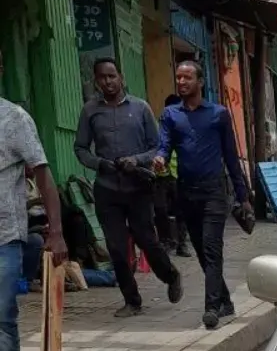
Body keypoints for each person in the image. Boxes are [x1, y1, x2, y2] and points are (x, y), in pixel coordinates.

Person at [74, 58, 182, 317]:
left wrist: (137, 160)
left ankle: (170, 275)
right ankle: (132, 301)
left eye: (112, 76)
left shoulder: (140, 108)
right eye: (102, 77)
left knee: (147, 239)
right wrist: (99, 163)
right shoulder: (90, 111)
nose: (108, 82)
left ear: (120, 77)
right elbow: (80, 148)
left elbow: (157, 147)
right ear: (96, 80)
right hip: (107, 189)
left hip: (138, 188)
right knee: (117, 249)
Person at [154, 60, 252, 330]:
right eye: (178, 78)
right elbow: (164, 145)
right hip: (186, 192)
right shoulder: (171, 115)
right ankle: (226, 301)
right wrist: (160, 158)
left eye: (187, 78)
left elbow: (231, 157)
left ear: (200, 82)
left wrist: (243, 197)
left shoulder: (218, 114)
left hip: (213, 192)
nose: (182, 82)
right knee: (200, 250)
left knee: (212, 248)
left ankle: (211, 308)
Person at [0, 49, 67, 351]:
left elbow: (42, 173)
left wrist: (55, 233)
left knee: (1, 315)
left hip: (5, 237)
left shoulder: (14, 118)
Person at [152, 93, 189, 257]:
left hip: (178, 175)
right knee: (160, 210)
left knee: (181, 211)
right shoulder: (156, 126)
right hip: (159, 176)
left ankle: (182, 244)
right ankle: (166, 241)